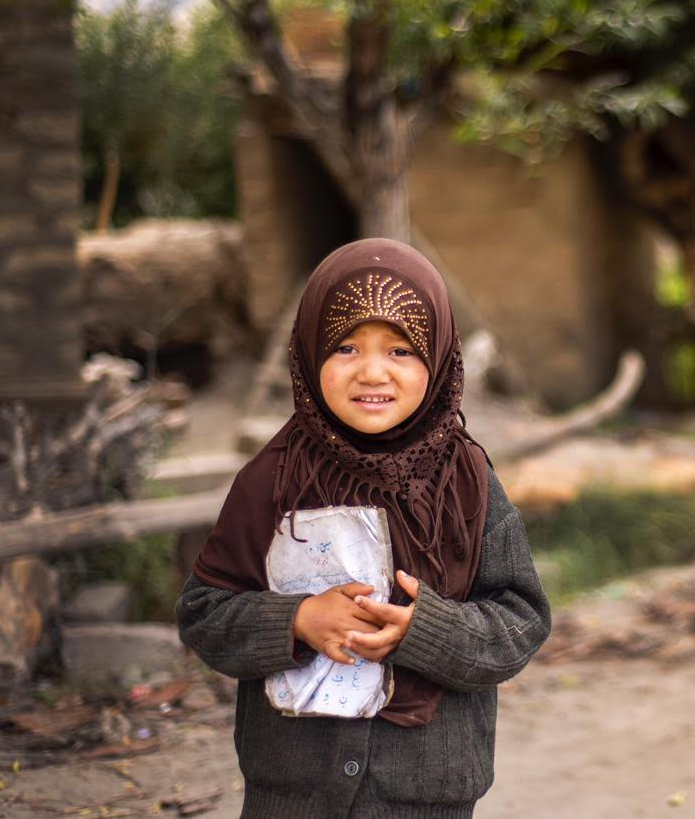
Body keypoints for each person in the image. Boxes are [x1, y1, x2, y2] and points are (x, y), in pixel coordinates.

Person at [176, 238, 551, 816]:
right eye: (346, 346)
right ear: (308, 351)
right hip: (292, 796)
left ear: (439, 356)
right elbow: (205, 613)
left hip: (424, 796)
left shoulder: (467, 481)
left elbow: (520, 623)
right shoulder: (272, 479)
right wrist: (297, 619)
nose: (372, 372)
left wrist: (424, 630)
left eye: (400, 350)